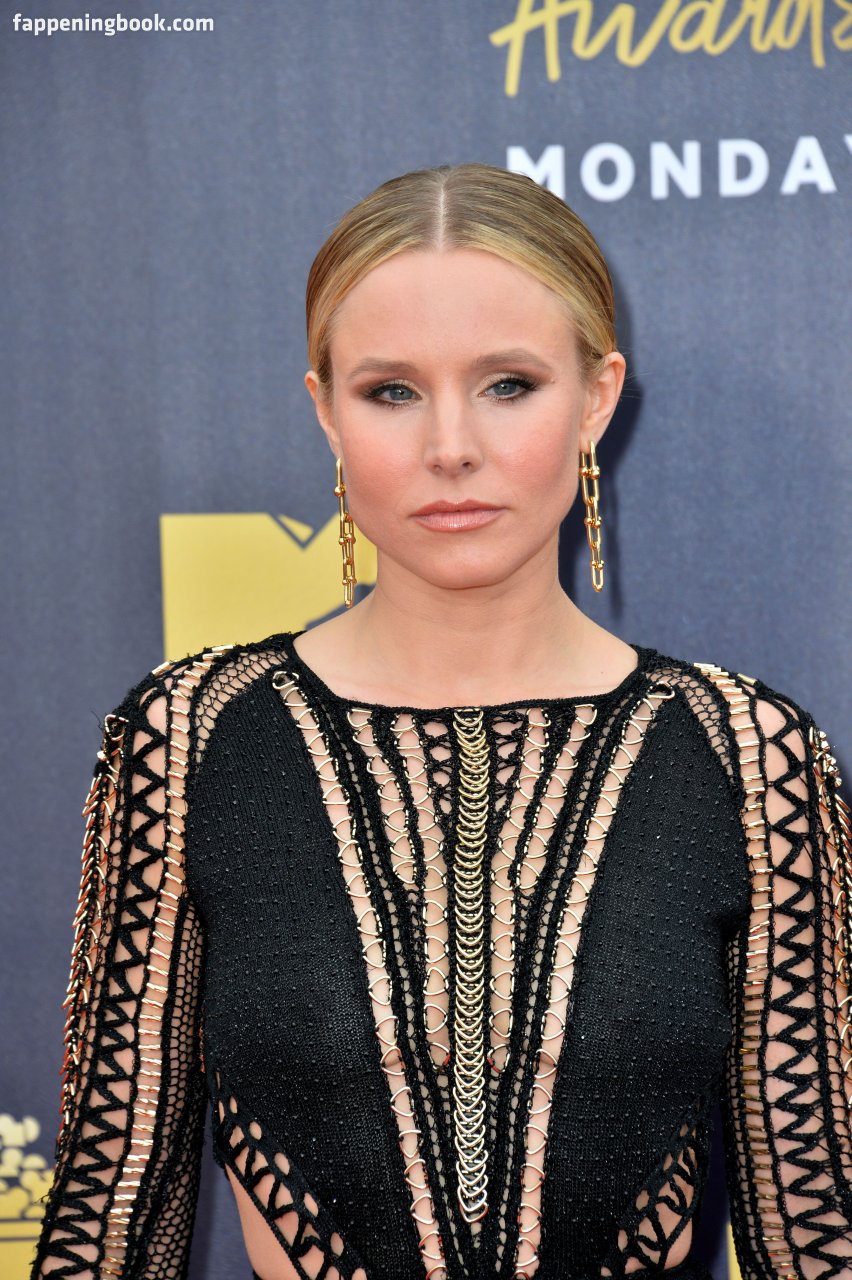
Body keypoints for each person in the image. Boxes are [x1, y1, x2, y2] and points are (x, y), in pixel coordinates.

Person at [30, 162, 852, 1280]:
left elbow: (815, 1222)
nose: (451, 445)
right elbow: (110, 1213)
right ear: (325, 409)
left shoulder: (747, 755)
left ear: (597, 397)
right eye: (391, 391)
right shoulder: (188, 740)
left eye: (509, 383)